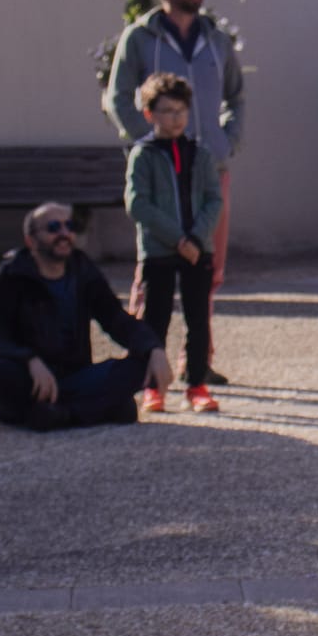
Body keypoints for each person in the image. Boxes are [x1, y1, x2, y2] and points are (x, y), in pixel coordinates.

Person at [104, 0, 245, 380]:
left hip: (206, 166)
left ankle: (197, 361)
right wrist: (147, 142)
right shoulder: (140, 38)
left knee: (208, 264)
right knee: (156, 269)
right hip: (161, 169)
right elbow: (117, 95)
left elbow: (236, 96)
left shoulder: (217, 40)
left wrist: (226, 139)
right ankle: (148, 361)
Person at [0, 203, 169, 431]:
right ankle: (98, 408)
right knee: (1, 376)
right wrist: (28, 359)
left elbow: (115, 318)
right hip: (31, 379)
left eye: (69, 226)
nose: (64, 234)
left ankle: (63, 414)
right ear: (30, 241)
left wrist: (153, 347)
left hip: (75, 377)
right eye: (53, 227)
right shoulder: (11, 276)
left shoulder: (82, 269)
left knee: (141, 366)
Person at [125, 73, 223, 413]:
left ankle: (196, 385)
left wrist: (196, 238)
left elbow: (214, 199)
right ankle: (153, 386)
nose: (176, 117)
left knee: (198, 318)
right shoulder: (144, 155)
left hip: (198, 248)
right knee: (156, 318)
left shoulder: (200, 153)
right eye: (167, 111)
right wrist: (177, 238)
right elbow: (138, 204)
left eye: (181, 110)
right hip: (160, 251)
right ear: (151, 114)